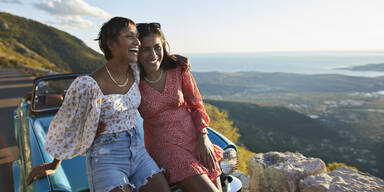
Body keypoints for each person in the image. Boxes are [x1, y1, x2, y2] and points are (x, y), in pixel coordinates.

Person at [26, 17, 171, 192]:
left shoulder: (135, 70)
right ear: (111, 44)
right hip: (106, 158)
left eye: (137, 37)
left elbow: (156, 59)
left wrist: (176, 60)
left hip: (139, 152)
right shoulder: (88, 85)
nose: (137, 42)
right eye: (129, 36)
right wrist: (54, 164)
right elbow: (67, 126)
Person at [137, 22, 224, 192]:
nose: (153, 54)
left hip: (195, 140)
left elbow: (197, 106)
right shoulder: (131, 82)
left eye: (157, 47)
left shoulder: (178, 70)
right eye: (145, 49)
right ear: (136, 51)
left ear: (163, 47)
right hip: (165, 148)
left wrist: (203, 137)